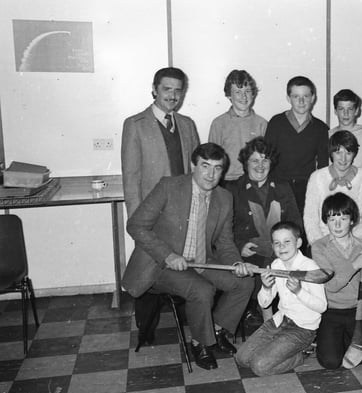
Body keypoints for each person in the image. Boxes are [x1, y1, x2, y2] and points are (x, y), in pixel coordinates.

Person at [122, 143, 255, 370]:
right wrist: (168, 255)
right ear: (193, 165)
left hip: (201, 260)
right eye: (205, 166)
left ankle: (215, 330)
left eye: (217, 168)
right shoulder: (169, 186)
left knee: (244, 282)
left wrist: (235, 264)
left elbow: (224, 242)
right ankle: (200, 343)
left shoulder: (224, 197)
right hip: (161, 265)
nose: (210, 174)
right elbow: (135, 225)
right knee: (202, 290)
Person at [235, 221, 327, 376]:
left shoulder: (310, 268)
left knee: (259, 367)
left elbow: (322, 307)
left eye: (287, 242)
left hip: (302, 329)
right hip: (279, 321)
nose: (282, 247)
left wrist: (299, 291)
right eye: (277, 243)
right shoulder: (276, 264)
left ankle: (304, 352)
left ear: (298, 242)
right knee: (242, 359)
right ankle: (276, 348)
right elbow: (264, 303)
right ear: (272, 246)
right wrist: (266, 287)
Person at [226, 136, 302, 322]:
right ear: (245, 163)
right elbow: (224, 230)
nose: (260, 166)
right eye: (254, 160)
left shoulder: (283, 187)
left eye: (265, 159)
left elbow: (296, 223)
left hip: (282, 251)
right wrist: (239, 244)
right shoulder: (233, 190)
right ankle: (268, 322)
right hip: (250, 255)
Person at [122, 67, 200, 217]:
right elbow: (131, 179)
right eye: (167, 89)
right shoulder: (135, 125)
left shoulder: (187, 124)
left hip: (184, 211)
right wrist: (136, 220)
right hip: (152, 213)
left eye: (178, 90)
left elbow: (195, 171)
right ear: (154, 89)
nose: (173, 95)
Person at [311, 193, 362, 369]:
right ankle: (336, 340)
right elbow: (331, 285)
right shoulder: (319, 247)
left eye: (343, 218)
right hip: (331, 310)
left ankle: (348, 339)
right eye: (332, 219)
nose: (338, 225)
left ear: (352, 220)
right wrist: (356, 264)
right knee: (330, 362)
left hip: (358, 310)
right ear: (326, 221)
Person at [265, 76, 329, 214]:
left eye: (305, 96)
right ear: (289, 98)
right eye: (296, 96)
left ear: (313, 98)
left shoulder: (321, 128)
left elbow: (323, 165)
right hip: (278, 185)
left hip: (306, 188)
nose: (301, 101)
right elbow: (267, 158)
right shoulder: (276, 123)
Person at [304, 130, 362, 245]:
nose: (343, 159)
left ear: (354, 154)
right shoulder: (317, 177)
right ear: (331, 153)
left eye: (348, 153)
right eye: (338, 152)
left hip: (355, 244)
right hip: (323, 244)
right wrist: (321, 245)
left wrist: (350, 244)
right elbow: (310, 219)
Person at [207, 70, 268, 182]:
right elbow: (212, 159)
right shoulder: (219, 123)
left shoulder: (262, 124)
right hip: (227, 181)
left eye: (247, 91)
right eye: (238, 92)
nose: (243, 97)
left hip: (253, 181)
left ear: (253, 94)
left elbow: (266, 159)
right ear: (229, 95)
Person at [329, 89, 362, 178]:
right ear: (335, 111)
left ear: (357, 111)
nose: (345, 113)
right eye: (341, 109)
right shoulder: (328, 135)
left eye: (350, 109)